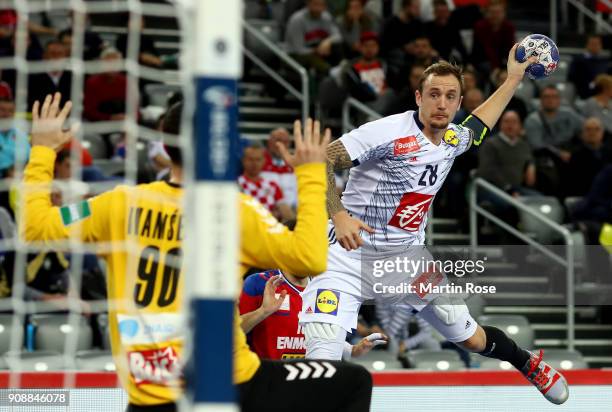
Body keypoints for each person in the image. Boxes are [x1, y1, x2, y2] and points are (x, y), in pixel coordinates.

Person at [23, 93, 373, 412]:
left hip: (151, 393)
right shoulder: (234, 210)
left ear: (165, 144)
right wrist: (310, 175)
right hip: (231, 383)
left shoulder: (117, 204)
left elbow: (35, 227)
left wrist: (42, 150)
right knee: (354, 380)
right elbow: (309, 259)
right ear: (215, 147)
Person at [298, 48, 569, 405]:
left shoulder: (452, 140)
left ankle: (527, 363)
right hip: (345, 256)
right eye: (434, 94)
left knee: (469, 336)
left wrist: (514, 78)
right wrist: (338, 214)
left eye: (451, 96)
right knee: (322, 355)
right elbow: (322, 159)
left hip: (406, 261)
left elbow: (479, 126)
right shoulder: (386, 132)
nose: (442, 103)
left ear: (458, 102)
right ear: (418, 97)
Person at [239, 269, 387, 360]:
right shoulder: (259, 283)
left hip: (308, 383)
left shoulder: (327, 287)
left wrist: (351, 350)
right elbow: (233, 332)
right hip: (267, 384)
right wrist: (262, 311)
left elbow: (321, 335)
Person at [524, 85, 583, 196]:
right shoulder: (533, 120)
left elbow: (584, 128)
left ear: (559, 100)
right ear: (541, 100)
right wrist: (559, 153)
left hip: (570, 152)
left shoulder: (568, 114)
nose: (550, 100)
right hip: (546, 157)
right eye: (546, 97)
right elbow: (537, 146)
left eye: (554, 96)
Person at [238, 143, 295, 222]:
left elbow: (288, 215)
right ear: (243, 161)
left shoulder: (272, 186)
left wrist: (279, 214)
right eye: (251, 159)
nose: (254, 163)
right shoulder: (236, 185)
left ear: (264, 161)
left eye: (258, 159)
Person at [285, 0, 342, 77]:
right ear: (308, 4)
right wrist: (317, 50)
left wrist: (327, 41)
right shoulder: (297, 19)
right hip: (295, 54)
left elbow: (338, 36)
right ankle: (330, 73)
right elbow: (298, 49)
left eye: (322, 5)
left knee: (337, 46)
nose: (319, 8)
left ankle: (340, 70)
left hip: (316, 48)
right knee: (315, 61)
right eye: (315, 4)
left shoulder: (326, 17)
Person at [566, 117, 612, 197]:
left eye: (596, 129)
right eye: (588, 129)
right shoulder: (576, 156)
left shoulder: (610, 154)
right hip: (586, 196)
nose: (592, 133)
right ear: (582, 133)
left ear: (602, 133)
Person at [470, 0, 515, 76]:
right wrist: (496, 67)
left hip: (502, 60)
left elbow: (510, 48)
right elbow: (487, 48)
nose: (495, 16)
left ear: (504, 13)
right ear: (486, 13)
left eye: (498, 12)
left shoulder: (509, 27)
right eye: (492, 12)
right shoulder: (480, 26)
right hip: (482, 60)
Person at [83, 48, 127, 122]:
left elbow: (135, 110)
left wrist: (128, 118)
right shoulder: (92, 82)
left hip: (124, 123)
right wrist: (110, 118)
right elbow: (89, 112)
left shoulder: (126, 81)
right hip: (99, 124)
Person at [27, 40, 72, 109]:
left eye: (60, 54)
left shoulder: (73, 78)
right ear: (44, 56)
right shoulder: (33, 78)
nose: (56, 58)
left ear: (66, 57)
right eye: (53, 54)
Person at [260, 128, 298, 208]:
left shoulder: (295, 164)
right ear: (269, 142)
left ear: (289, 144)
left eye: (285, 142)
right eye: (278, 140)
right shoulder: (258, 160)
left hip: (292, 213)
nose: (281, 145)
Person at [568, 34, 611, 100]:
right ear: (587, 45)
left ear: (601, 46)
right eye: (592, 44)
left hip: (602, 96)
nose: (595, 46)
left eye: (597, 44)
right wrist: (592, 83)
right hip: (584, 94)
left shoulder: (605, 62)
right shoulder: (578, 61)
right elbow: (572, 77)